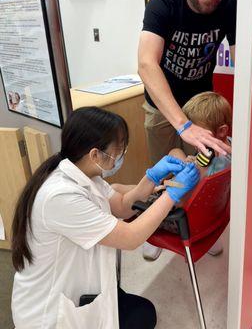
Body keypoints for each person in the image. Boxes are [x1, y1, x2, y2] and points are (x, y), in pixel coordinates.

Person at [11, 106, 200, 329]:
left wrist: (152, 176)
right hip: (50, 314)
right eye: (118, 149)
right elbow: (131, 237)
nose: (121, 155)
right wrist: (172, 194)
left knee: (142, 311)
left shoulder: (84, 173)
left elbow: (121, 206)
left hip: (80, 287)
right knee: (141, 317)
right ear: (94, 154)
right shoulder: (60, 196)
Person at [138, 0, 236, 163]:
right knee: (164, 178)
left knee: (198, 176)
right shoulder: (163, 4)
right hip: (160, 107)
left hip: (200, 107)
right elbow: (146, 63)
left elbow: (246, 64)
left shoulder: (231, 3)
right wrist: (183, 125)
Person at [143, 91, 232, 260]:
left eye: (198, 132)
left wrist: (166, 184)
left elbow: (181, 194)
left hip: (186, 221)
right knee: (177, 151)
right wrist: (194, 162)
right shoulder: (233, 150)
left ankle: (151, 231)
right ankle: (212, 240)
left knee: (143, 200)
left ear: (221, 131)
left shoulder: (201, 168)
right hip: (215, 213)